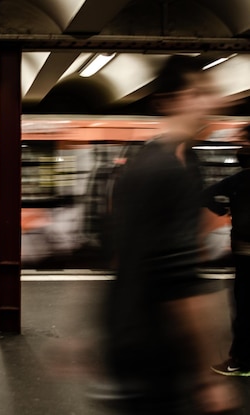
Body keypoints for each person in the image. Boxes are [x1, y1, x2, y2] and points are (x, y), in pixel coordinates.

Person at [94, 55, 241, 414]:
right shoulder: (168, 170)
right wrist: (208, 376)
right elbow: (181, 282)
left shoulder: (169, 159)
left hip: (132, 339)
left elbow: (116, 251)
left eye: (210, 92)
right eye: (198, 92)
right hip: (154, 348)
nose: (211, 101)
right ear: (170, 101)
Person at [201, 124, 250, 376]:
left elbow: (205, 195)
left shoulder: (238, 181)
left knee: (244, 307)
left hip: (246, 254)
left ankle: (241, 361)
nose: (241, 149)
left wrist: (223, 211)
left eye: (244, 143)